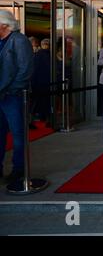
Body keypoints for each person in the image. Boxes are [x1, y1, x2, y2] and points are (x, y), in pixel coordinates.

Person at [0, 10, 33, 182]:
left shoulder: (19, 41)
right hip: (2, 95)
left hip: (13, 96)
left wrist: (12, 89)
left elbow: (25, 69)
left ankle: (19, 170)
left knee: (18, 135)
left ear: (4, 24)